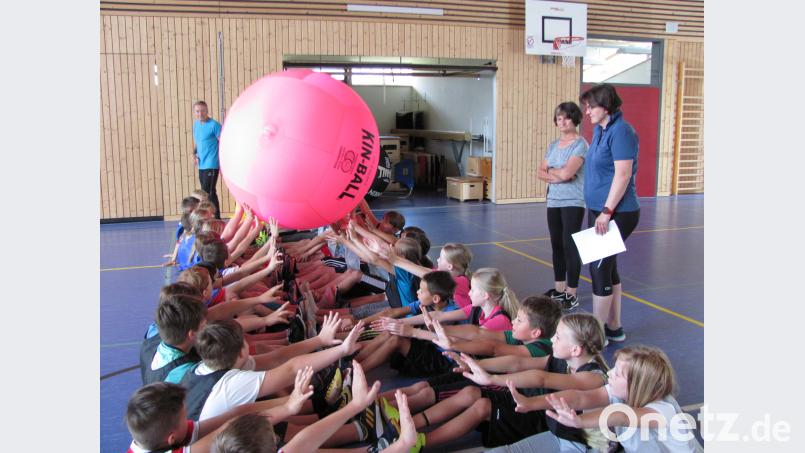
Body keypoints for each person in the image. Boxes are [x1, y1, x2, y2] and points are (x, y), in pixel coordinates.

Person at [498, 345, 703, 452]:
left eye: (618, 374)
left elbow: (622, 416)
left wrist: (580, 421)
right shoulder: (618, 392)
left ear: (637, 385)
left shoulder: (663, 411)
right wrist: (532, 403)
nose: (610, 373)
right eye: (613, 367)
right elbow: (579, 398)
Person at [579, 83, 641, 345]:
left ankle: (598, 334)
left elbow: (623, 175)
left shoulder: (621, 132)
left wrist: (607, 211)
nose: (587, 112)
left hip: (617, 212)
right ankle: (614, 326)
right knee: (608, 267)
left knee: (600, 268)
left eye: (591, 107)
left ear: (605, 107)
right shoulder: (600, 130)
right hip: (598, 210)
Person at [538, 102, 588, 312]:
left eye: (566, 117)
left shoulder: (580, 145)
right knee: (556, 244)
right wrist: (559, 174)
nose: (562, 122)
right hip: (553, 201)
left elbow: (569, 173)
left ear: (574, 119)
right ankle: (559, 289)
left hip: (573, 201)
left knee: (570, 245)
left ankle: (571, 293)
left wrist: (554, 171)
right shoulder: (552, 145)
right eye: (559, 118)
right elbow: (540, 172)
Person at [192, 100, 223, 219]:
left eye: (203, 111)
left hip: (212, 163)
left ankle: (216, 219)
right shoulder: (196, 125)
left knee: (208, 192)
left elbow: (223, 142)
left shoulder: (214, 125)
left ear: (207, 111)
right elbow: (198, 142)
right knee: (206, 192)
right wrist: (194, 154)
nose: (200, 113)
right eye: (197, 111)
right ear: (194, 112)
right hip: (202, 164)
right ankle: (210, 218)